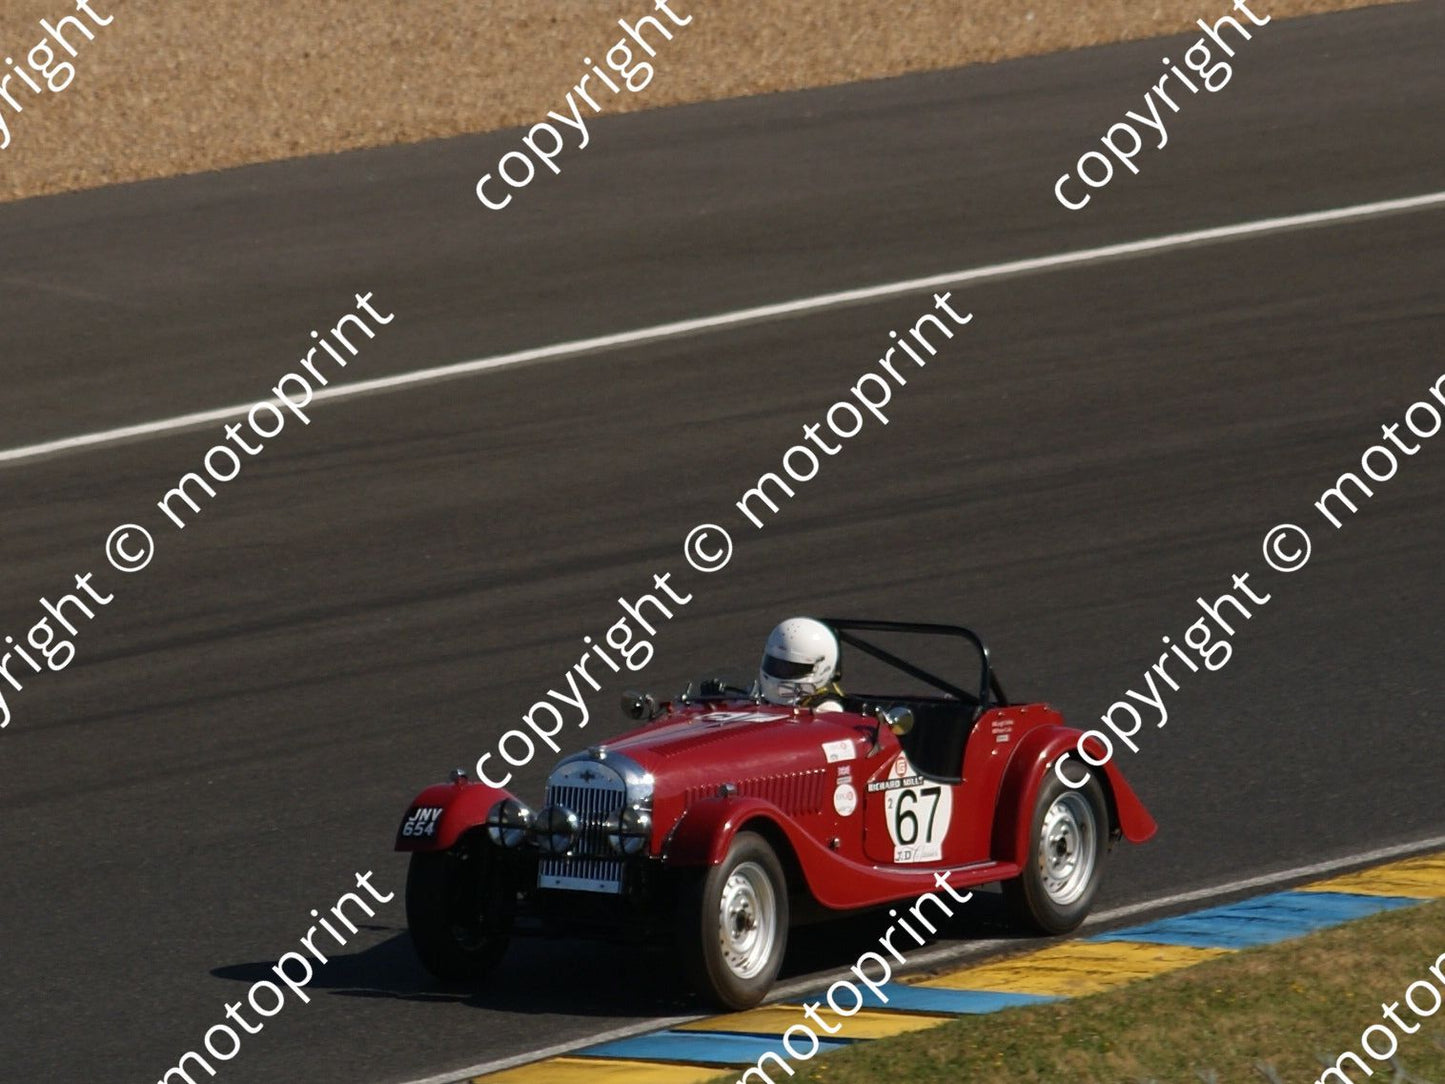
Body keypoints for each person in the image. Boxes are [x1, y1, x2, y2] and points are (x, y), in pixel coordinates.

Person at [758, 617, 845, 712]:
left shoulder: (827, 710)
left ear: (822, 669)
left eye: (792, 668)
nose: (781, 671)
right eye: (774, 664)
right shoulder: (752, 698)